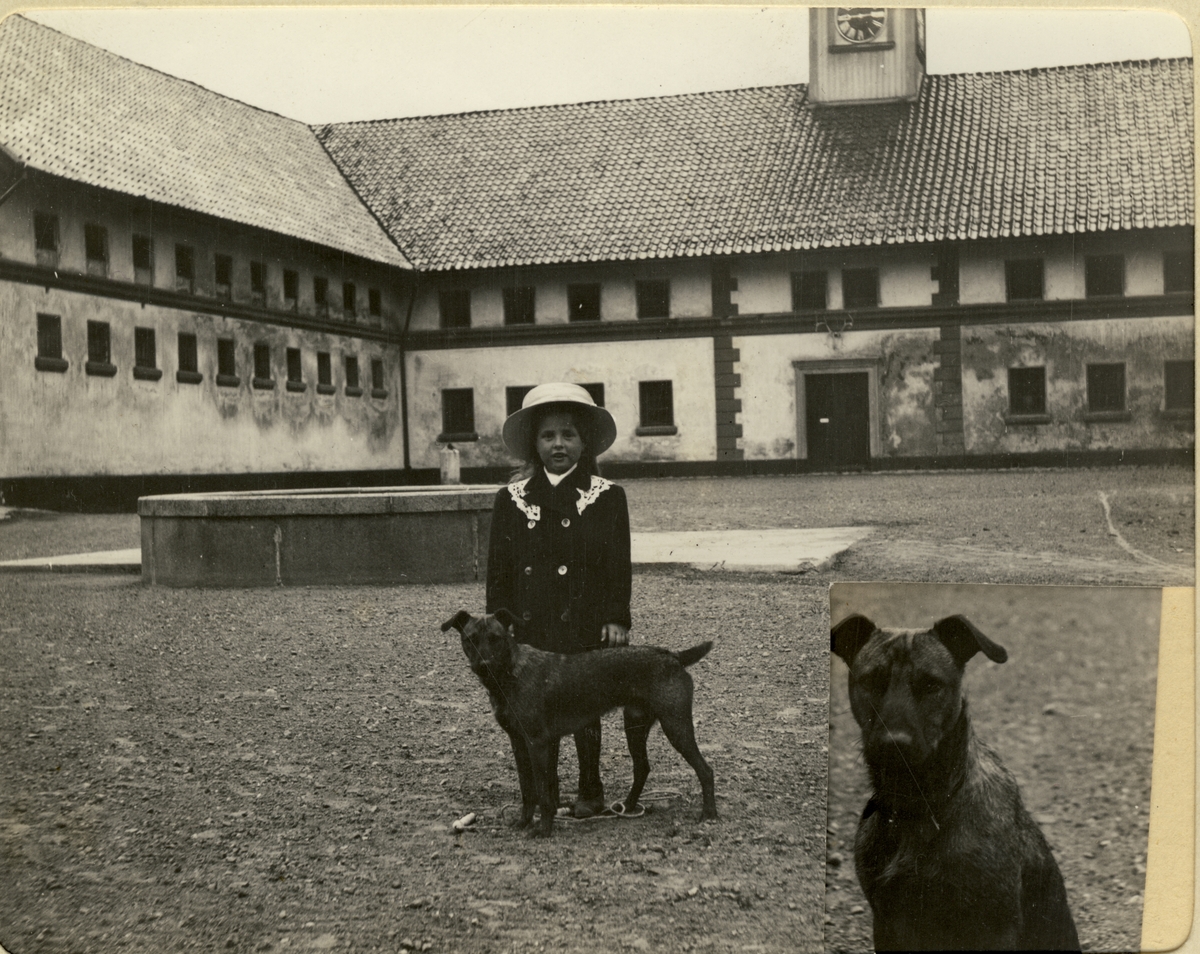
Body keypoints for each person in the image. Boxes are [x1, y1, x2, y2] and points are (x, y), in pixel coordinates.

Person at [486, 382, 632, 819]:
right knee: (528, 709)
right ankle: (537, 796)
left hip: (585, 621)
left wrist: (616, 618)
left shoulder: (606, 496)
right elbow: (499, 572)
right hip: (530, 626)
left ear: (585, 441)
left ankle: (590, 789)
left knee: (585, 705)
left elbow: (616, 565)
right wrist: (499, 626)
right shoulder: (512, 500)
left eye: (568, 434)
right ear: (534, 443)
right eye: (548, 436)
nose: (559, 445)